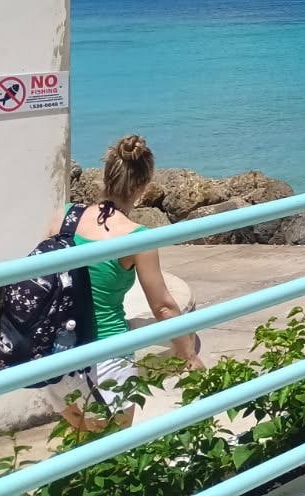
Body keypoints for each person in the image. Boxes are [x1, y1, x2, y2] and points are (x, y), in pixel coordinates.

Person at [43, 134, 203, 430]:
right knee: (115, 450)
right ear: (142, 188)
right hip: (107, 356)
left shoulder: (63, 218)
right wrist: (189, 356)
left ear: (105, 178)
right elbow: (163, 307)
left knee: (81, 447)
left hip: (57, 354)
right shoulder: (135, 237)